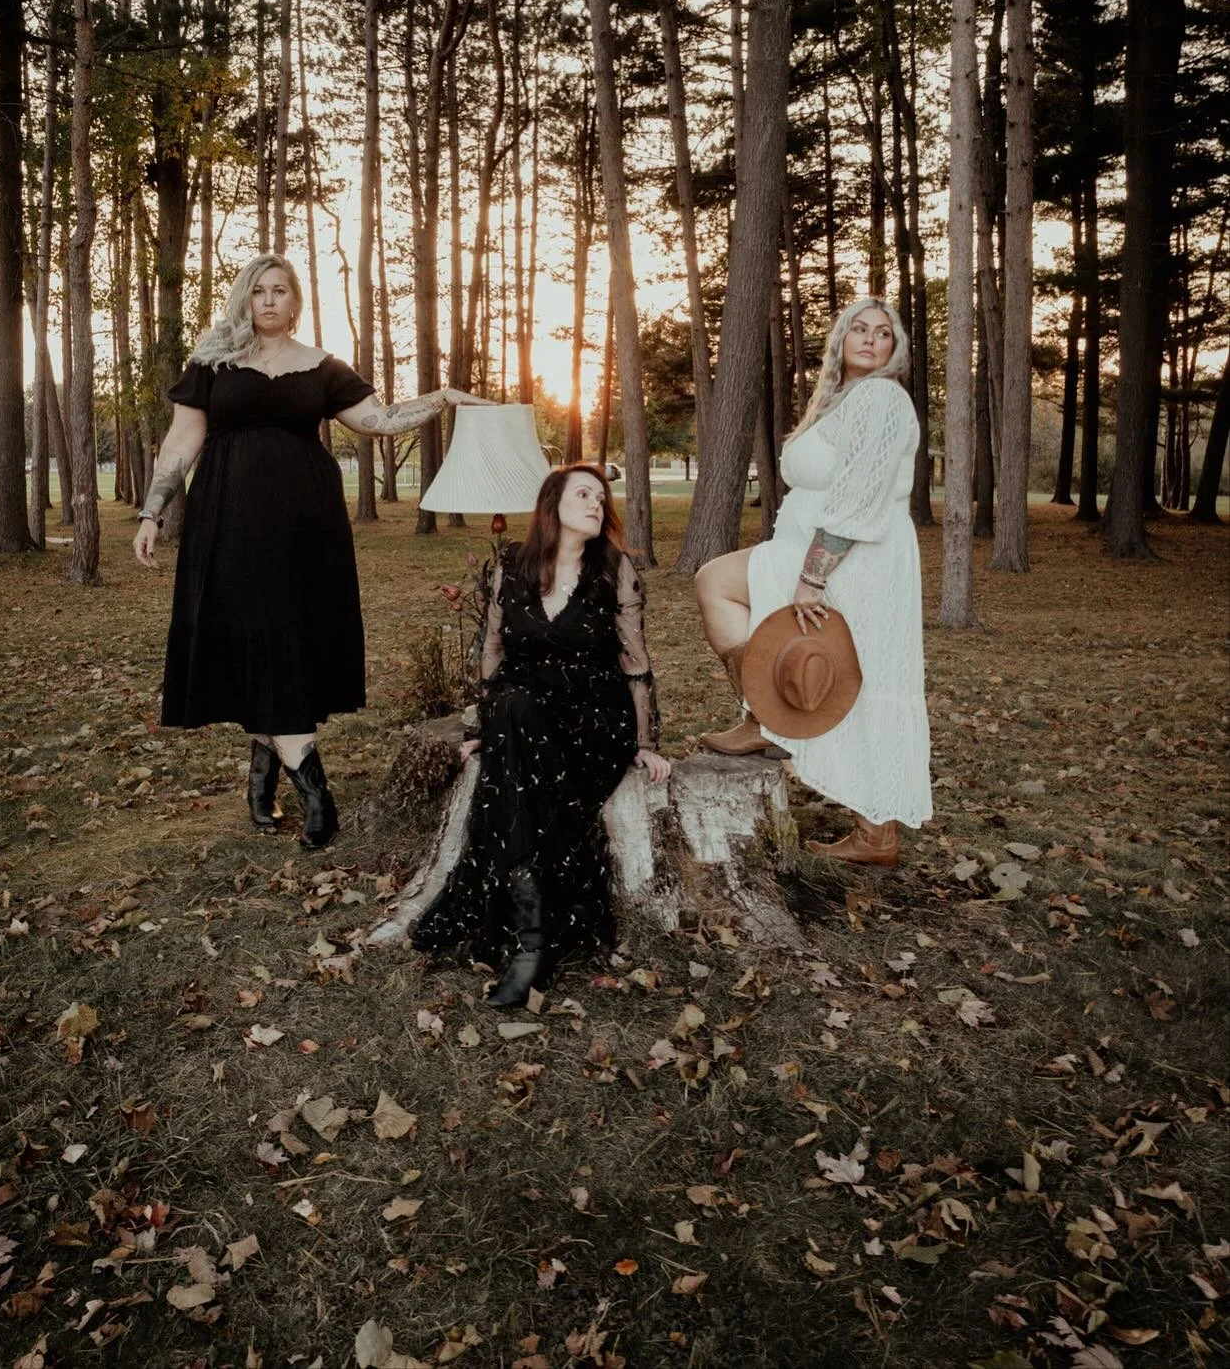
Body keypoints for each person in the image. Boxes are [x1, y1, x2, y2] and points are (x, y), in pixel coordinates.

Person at [133, 252, 483, 849]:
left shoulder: (323, 367)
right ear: (246, 298)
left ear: (295, 301)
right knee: (252, 632)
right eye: (259, 291)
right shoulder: (213, 361)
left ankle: (262, 775)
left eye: (280, 291)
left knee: (290, 637)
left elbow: (380, 420)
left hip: (306, 525)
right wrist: (152, 509)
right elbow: (181, 441)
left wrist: (444, 397)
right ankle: (316, 794)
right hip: (230, 522)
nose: (269, 300)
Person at [411, 465, 671, 1007]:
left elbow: (634, 656)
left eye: (602, 497)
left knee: (517, 717)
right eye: (584, 494)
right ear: (552, 505)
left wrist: (646, 742)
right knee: (515, 704)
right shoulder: (513, 565)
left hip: (592, 718)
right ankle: (537, 934)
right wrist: (480, 728)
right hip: (522, 713)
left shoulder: (614, 569)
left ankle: (528, 934)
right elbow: (492, 652)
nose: (597, 504)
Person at [694, 297, 931, 866]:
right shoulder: (838, 401)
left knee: (862, 673)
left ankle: (876, 833)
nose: (871, 339)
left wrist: (813, 576)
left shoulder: (879, 398)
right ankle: (766, 716)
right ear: (841, 340)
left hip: (856, 560)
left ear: (894, 349)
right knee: (720, 587)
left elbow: (857, 498)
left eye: (883, 333)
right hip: (813, 550)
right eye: (860, 329)